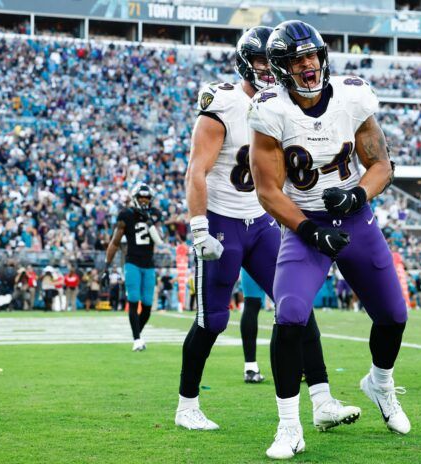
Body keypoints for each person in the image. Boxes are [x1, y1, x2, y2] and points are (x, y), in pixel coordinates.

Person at [176, 26, 358, 435]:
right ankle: (187, 404)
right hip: (223, 220)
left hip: (260, 222)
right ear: (246, 63)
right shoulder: (223, 103)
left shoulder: (281, 103)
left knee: (296, 304)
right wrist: (200, 227)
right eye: (260, 63)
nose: (268, 70)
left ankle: (322, 399)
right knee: (213, 319)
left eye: (271, 62)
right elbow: (197, 170)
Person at [249, 20, 409, 459]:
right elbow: (267, 191)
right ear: (282, 67)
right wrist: (307, 228)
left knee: (394, 316)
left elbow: (381, 165)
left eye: (313, 55)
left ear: (323, 56)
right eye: (297, 59)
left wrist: (357, 193)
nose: (308, 64)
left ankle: (379, 383)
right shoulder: (269, 109)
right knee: (291, 314)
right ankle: (288, 426)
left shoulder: (353, 96)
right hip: (304, 223)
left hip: (354, 217)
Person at [103, 183, 164, 351]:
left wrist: (149, 219)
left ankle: (137, 335)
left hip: (149, 265)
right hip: (132, 263)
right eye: (141, 198)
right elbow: (115, 242)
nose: (144, 201)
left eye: (147, 198)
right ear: (135, 199)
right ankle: (137, 339)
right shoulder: (126, 215)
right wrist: (106, 267)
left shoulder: (155, 214)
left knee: (147, 307)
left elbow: (160, 239)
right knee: (133, 300)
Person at [239, 268, 266, 383]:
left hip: (252, 254)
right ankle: (298, 367)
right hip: (281, 253)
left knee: (251, 304)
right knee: (290, 304)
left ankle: (251, 369)